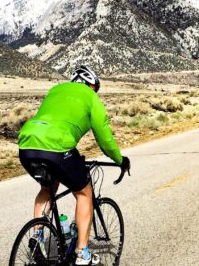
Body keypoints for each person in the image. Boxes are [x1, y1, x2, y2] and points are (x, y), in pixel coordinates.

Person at [18, 65, 130, 266]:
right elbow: (105, 139)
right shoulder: (90, 96)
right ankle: (82, 253)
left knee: (48, 187)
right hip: (58, 147)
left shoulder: (56, 90)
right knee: (84, 192)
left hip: (27, 144)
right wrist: (121, 161)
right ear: (92, 86)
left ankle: (37, 237)